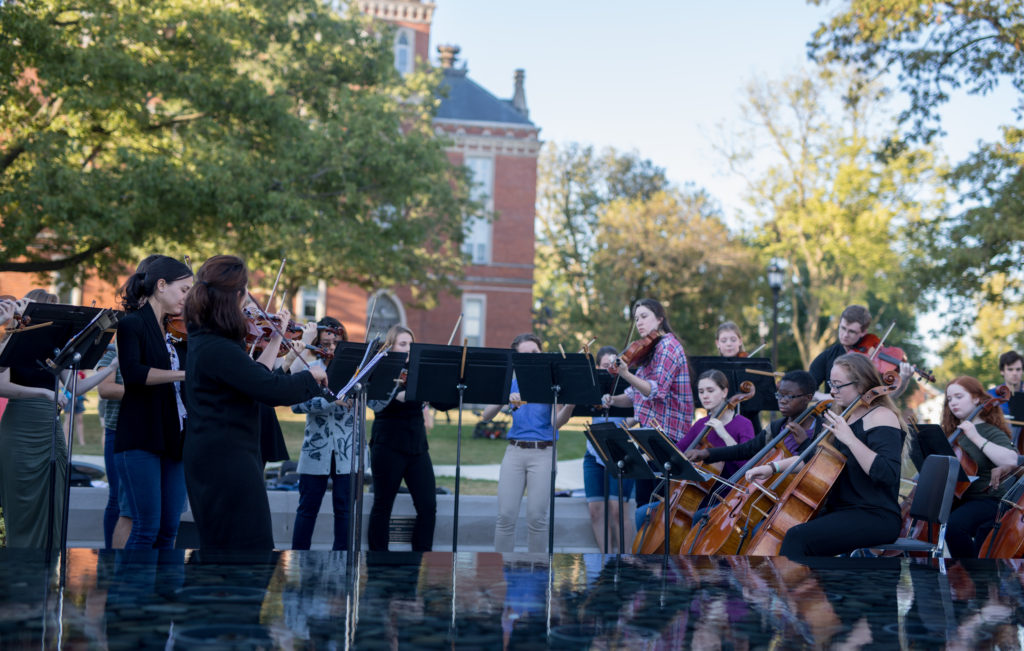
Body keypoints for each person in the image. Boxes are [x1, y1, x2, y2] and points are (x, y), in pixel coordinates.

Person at [182, 255, 328, 550]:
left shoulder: (210, 339)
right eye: (245, 290)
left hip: (219, 456)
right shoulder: (218, 347)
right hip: (225, 461)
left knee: (232, 547)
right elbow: (271, 389)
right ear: (235, 296)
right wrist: (311, 377)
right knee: (248, 548)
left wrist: (275, 340)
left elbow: (253, 376)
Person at [745, 353, 905, 557]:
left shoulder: (881, 416)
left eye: (838, 385)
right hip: (840, 510)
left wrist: (850, 439)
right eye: (831, 383)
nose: (831, 391)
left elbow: (887, 473)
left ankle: (795, 588)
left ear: (861, 384)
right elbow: (811, 459)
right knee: (773, 526)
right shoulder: (842, 415)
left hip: (875, 515)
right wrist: (770, 468)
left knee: (798, 538)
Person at [0, 290, 118, 548]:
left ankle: (48, 567)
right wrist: (44, 392)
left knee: (55, 501)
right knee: (23, 505)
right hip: (21, 428)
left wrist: (110, 369)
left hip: (49, 430)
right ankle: (18, 568)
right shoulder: (12, 339)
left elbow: (75, 386)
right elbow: (2, 385)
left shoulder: (51, 349)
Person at [114, 255, 193, 550]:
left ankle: (162, 595)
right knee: (147, 527)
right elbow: (133, 373)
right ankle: (135, 595)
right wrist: (185, 374)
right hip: (141, 435)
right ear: (161, 285)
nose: (188, 298)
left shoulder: (176, 331)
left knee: (169, 528)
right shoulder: (131, 325)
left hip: (174, 436)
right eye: (184, 290)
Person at [480, 333, 575, 553]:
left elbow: (555, 423)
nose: (532, 357)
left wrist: (569, 405)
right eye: (525, 355)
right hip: (514, 452)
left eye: (535, 352)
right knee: (505, 516)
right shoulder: (511, 382)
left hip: (543, 453)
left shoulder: (553, 384)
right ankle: (504, 575)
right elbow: (486, 415)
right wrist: (505, 398)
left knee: (537, 518)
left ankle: (538, 579)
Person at [601, 298, 693, 508]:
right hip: (648, 434)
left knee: (658, 505)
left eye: (644, 317)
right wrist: (612, 399)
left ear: (659, 319)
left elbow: (657, 390)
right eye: (636, 319)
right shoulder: (648, 351)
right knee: (643, 502)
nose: (639, 323)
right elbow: (635, 395)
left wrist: (625, 373)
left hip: (669, 436)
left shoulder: (668, 346)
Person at [367, 325, 440, 551]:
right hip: (387, 444)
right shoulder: (381, 370)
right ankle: (379, 565)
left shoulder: (419, 372)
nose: (408, 349)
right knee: (383, 505)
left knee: (428, 506)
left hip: (417, 446)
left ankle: (418, 560)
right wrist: (396, 393)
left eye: (410, 344)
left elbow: (441, 403)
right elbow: (375, 402)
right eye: (402, 344)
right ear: (390, 346)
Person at [290, 317, 356, 551]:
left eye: (335, 343)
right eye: (325, 343)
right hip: (316, 450)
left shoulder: (354, 370)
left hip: (348, 451)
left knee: (345, 510)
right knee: (307, 508)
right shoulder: (311, 368)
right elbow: (296, 405)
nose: (330, 349)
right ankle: (298, 561)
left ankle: (343, 566)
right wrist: (330, 401)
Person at [941, 376, 1018, 557]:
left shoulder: (988, 430)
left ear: (976, 398)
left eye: (959, 397)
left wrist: (975, 437)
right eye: (949, 399)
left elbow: (1011, 460)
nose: (953, 403)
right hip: (959, 499)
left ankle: (973, 573)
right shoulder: (952, 433)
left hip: (989, 500)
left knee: (954, 526)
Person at [686, 370, 820, 468]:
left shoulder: (820, 428)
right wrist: (706, 453)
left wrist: (804, 443)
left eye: (789, 396)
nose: (782, 401)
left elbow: (817, 466)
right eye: (780, 395)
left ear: (807, 398)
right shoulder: (776, 427)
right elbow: (745, 449)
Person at [582, 346, 635, 553]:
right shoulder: (592, 384)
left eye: (614, 366)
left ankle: (624, 560)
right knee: (595, 510)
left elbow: (640, 410)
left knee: (617, 511)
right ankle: (606, 559)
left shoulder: (626, 382)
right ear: (597, 368)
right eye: (605, 366)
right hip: (594, 452)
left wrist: (624, 426)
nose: (610, 370)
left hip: (620, 450)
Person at [678, 369, 756, 478]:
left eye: (710, 391)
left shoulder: (744, 424)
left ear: (724, 392)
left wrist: (724, 435)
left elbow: (747, 465)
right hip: (702, 490)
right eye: (701, 392)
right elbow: (678, 451)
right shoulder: (701, 424)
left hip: (732, 491)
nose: (705, 396)